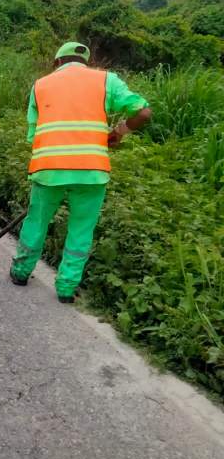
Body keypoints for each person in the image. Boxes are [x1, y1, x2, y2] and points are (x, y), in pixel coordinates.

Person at [10, 42, 152, 303]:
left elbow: (33, 135)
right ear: (86, 62)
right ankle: (66, 288)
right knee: (81, 229)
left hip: (48, 169)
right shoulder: (106, 80)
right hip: (91, 170)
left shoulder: (40, 85)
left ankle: (20, 271)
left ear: (57, 63)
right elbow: (143, 112)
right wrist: (119, 132)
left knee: (36, 221)